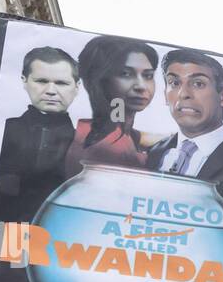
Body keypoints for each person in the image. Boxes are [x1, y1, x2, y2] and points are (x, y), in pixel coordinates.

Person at [0, 45, 79, 282]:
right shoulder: (1, 131)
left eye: (60, 82)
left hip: (63, 252)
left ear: (76, 87)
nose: (50, 90)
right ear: (25, 81)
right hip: (5, 244)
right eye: (41, 81)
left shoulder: (86, 144)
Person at [145, 49, 223, 217]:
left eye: (198, 84)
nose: (183, 94)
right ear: (164, 95)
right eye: (174, 83)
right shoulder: (153, 154)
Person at [63, 36, 158, 177]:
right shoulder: (111, 149)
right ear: (99, 80)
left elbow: (120, 126)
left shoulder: (92, 130)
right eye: (125, 74)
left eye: (148, 75)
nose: (141, 86)